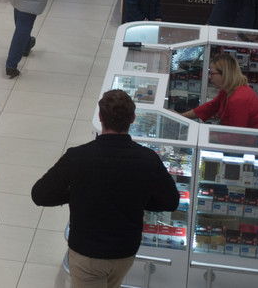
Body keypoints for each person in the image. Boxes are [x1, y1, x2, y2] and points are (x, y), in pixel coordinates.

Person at [32, 90, 180, 288]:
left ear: (100, 117)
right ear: (133, 118)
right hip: (124, 252)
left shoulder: (77, 157)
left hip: (87, 252)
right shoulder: (148, 159)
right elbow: (171, 201)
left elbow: (40, 194)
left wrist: (75, 194)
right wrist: (139, 199)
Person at [182, 54, 258, 129]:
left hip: (252, 144)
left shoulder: (239, 99)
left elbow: (235, 137)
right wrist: (181, 116)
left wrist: (205, 135)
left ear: (225, 74)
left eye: (212, 73)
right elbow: (210, 107)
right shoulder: (227, 90)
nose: (209, 77)